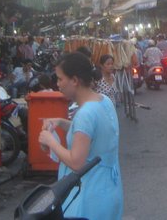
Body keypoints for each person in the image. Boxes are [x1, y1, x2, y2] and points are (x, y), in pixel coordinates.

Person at [38, 53, 123, 219]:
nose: (58, 84)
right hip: (108, 188)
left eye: (60, 79)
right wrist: (62, 123)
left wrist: (51, 142)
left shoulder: (86, 113)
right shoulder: (103, 100)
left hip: (88, 195)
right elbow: (92, 133)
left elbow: (76, 162)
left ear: (75, 80)